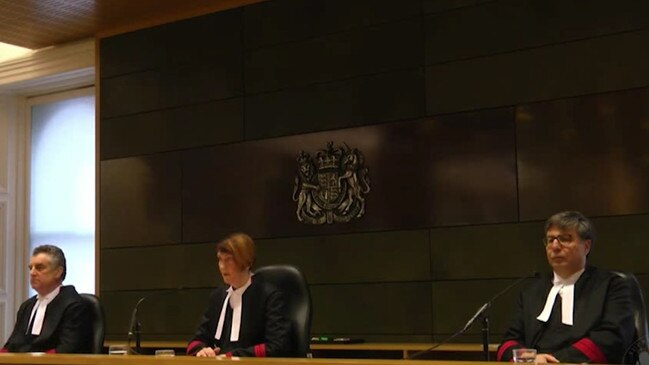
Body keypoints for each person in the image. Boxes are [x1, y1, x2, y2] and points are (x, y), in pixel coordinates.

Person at [497, 211, 635, 363]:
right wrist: (530, 359)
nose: (555, 246)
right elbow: (508, 342)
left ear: (586, 246)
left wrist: (556, 361)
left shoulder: (612, 285)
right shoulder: (530, 293)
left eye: (564, 239)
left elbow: (613, 337)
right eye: (550, 240)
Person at [187, 233, 292, 357]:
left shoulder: (270, 297)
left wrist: (232, 356)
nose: (222, 266)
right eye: (220, 259)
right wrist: (202, 350)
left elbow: (277, 346)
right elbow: (197, 340)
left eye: (229, 260)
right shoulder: (218, 296)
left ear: (246, 262)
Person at [1, 245, 91, 353]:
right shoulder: (27, 306)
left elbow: (67, 350)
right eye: (31, 268)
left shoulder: (74, 305)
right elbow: (12, 345)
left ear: (58, 272)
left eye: (39, 267)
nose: (32, 273)